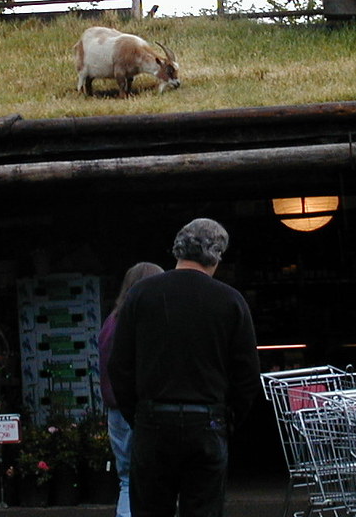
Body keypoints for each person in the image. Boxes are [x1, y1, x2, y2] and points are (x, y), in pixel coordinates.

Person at [108, 218, 262, 517]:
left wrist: (137, 416)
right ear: (216, 254)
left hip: (153, 421)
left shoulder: (141, 294)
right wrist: (227, 419)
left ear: (178, 250)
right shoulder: (230, 300)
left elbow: (119, 366)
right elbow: (247, 375)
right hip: (206, 421)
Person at [99, 261, 165, 517]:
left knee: (127, 480)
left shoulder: (111, 321)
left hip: (115, 410)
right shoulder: (143, 322)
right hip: (140, 409)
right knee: (155, 479)